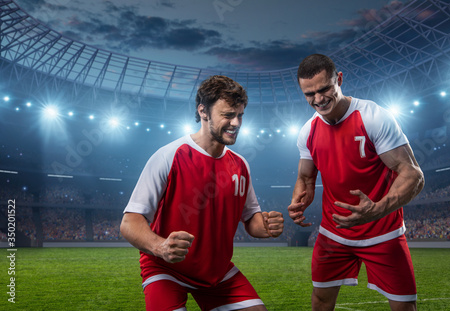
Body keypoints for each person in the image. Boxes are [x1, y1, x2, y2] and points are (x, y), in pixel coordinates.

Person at [121, 75, 284, 311]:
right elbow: (129, 223)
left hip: (217, 272)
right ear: (203, 112)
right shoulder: (169, 156)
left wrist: (267, 226)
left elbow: (251, 220)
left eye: (240, 115)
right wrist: (161, 247)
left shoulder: (240, 165)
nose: (236, 122)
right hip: (166, 268)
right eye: (228, 115)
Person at [288, 54, 424, 311]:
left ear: (338, 79)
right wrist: (300, 198)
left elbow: (412, 174)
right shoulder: (307, 131)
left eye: (324, 88)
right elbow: (306, 177)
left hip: (383, 233)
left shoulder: (373, 117)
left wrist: (377, 210)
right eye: (309, 93)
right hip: (333, 234)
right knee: (320, 301)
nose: (318, 99)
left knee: (404, 306)